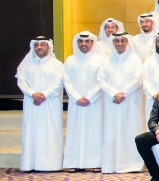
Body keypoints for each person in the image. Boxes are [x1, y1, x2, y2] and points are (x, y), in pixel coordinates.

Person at [99, 33, 146, 173]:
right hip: (111, 102)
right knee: (111, 131)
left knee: (130, 130)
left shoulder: (135, 60)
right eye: (117, 41)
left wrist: (123, 93)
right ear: (113, 43)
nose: (119, 43)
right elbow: (101, 80)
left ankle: (132, 164)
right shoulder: (106, 60)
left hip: (130, 102)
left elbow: (138, 79)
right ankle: (111, 164)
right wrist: (114, 93)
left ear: (127, 42)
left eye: (122, 40)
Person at [16, 37, 65, 172]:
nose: (39, 47)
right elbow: (21, 81)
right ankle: (30, 164)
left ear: (48, 47)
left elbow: (59, 83)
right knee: (32, 132)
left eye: (42, 44)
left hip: (50, 104)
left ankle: (52, 164)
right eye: (37, 45)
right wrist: (33, 94)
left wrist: (43, 95)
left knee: (50, 133)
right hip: (32, 104)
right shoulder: (26, 64)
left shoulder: (57, 65)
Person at [63, 32, 105, 172]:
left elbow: (101, 81)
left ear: (92, 43)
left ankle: (95, 162)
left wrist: (89, 97)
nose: (84, 44)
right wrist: (76, 97)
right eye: (81, 41)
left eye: (87, 41)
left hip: (95, 102)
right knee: (75, 131)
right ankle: (73, 163)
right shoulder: (70, 60)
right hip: (76, 103)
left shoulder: (100, 60)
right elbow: (67, 81)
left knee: (94, 131)